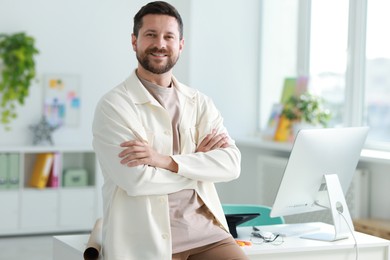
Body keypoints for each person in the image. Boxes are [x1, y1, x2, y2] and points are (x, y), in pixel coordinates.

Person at [92, 1, 247, 259]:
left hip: (208, 234)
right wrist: (199, 167)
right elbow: (137, 181)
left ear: (180, 45)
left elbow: (231, 164)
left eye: (169, 36)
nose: (160, 44)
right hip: (147, 241)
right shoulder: (114, 105)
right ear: (134, 41)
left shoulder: (199, 102)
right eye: (151, 35)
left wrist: (163, 161)